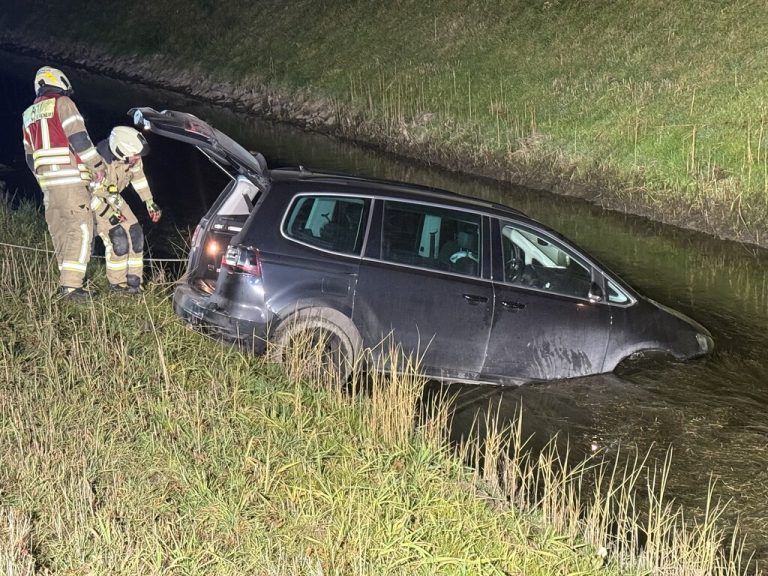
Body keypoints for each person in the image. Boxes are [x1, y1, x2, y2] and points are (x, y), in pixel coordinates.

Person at [22, 66, 107, 301]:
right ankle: (72, 288)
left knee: (60, 230)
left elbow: (30, 157)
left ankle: (65, 281)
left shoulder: (28, 114)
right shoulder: (63, 103)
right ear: (59, 82)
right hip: (70, 182)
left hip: (48, 187)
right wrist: (97, 167)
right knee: (81, 230)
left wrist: (43, 180)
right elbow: (79, 139)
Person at [91, 126, 161, 294]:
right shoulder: (95, 162)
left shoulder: (132, 158)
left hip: (114, 198)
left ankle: (134, 283)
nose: (137, 159)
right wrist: (109, 213)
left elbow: (138, 177)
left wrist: (149, 201)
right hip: (95, 201)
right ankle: (118, 284)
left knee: (135, 233)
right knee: (118, 238)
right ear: (121, 150)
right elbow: (85, 194)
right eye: (135, 156)